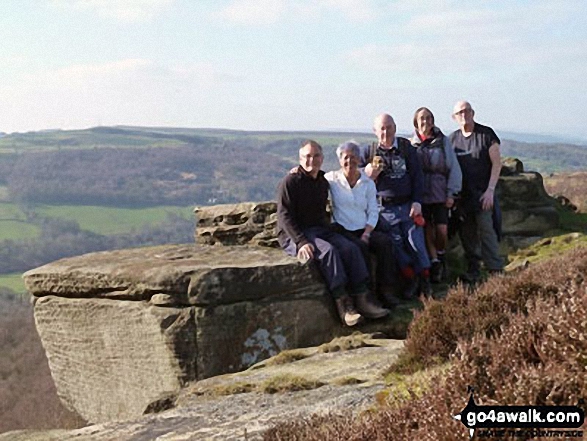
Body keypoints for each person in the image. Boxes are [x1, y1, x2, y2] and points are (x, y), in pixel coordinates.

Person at [276, 140, 389, 327]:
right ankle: (344, 305)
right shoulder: (290, 182)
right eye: (307, 156)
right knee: (328, 251)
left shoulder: (322, 180)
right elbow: (284, 215)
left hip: (320, 229)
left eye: (316, 156)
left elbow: (344, 178)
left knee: (351, 247)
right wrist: (301, 241)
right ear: (300, 159)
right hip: (297, 233)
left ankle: (363, 298)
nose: (312, 160)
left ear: (322, 158)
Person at [360, 114, 432, 298]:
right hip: (384, 209)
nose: (386, 132)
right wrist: (366, 173)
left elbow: (417, 176)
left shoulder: (406, 148)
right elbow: (352, 174)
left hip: (408, 205)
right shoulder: (369, 151)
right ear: (375, 131)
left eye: (389, 127)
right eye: (382, 128)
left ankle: (425, 281)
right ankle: (411, 280)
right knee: (396, 244)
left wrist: (417, 201)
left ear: (395, 128)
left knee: (415, 241)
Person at [325, 141, 399, 308]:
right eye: (345, 158)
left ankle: (386, 290)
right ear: (339, 160)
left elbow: (373, 210)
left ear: (359, 160)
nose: (349, 161)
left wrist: (367, 232)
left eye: (353, 157)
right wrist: (295, 172)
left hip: (364, 228)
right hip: (342, 230)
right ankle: (367, 296)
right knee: (360, 249)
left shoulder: (367, 183)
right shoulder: (332, 179)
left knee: (385, 244)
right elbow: (312, 177)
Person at [449, 101, 504, 283]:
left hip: (483, 193)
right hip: (462, 197)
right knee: (467, 233)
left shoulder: (486, 134)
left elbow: (497, 163)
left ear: (473, 113)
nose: (464, 114)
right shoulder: (452, 140)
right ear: (454, 117)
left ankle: (495, 270)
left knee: (487, 230)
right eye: (460, 112)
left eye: (467, 111)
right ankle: (473, 269)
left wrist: (490, 190)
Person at [411, 107, 462, 283]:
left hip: (441, 193)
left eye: (429, 118)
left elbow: (453, 168)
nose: (426, 122)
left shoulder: (443, 141)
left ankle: (441, 255)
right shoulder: (412, 145)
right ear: (416, 123)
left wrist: (452, 193)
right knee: (426, 228)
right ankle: (435, 263)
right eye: (422, 119)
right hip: (421, 195)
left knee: (442, 229)